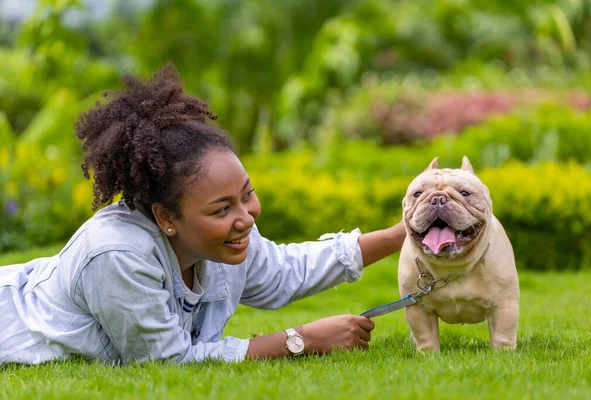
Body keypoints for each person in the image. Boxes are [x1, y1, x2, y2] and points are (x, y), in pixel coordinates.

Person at [0, 64, 406, 365]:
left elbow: (283, 271)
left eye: (246, 195)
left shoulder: (225, 238)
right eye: (222, 209)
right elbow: (166, 362)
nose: (246, 217)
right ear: (166, 217)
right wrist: (301, 339)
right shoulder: (117, 254)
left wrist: (400, 235)